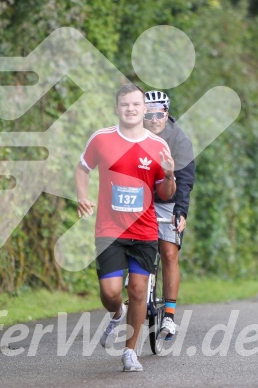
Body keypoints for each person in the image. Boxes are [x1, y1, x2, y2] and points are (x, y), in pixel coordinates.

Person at [75, 84, 176, 372]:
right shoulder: (101, 139)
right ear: (117, 108)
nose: (130, 109)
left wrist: (169, 175)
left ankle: (130, 351)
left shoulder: (158, 146)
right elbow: (82, 168)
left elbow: (167, 193)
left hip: (144, 231)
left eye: (135, 104)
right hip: (109, 230)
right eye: (125, 104)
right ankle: (117, 313)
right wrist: (82, 196)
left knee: (138, 290)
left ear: (145, 109)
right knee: (110, 293)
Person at [143, 90, 195, 340]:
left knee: (169, 252)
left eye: (158, 114)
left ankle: (170, 316)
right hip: (138, 197)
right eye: (148, 114)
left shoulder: (179, 140)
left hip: (168, 199)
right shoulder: (132, 135)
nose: (153, 120)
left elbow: (185, 180)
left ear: (167, 114)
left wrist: (180, 211)